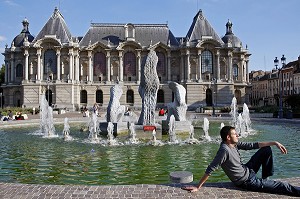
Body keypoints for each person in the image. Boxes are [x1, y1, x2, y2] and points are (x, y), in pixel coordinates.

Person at [182, 125, 300, 197]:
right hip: (247, 181)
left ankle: (265, 180)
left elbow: (253, 145)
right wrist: (198, 187)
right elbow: (211, 168)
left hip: (248, 170)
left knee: (266, 150)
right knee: (282, 185)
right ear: (228, 137)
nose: (237, 135)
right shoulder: (224, 150)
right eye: (235, 134)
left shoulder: (234, 144)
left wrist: (275, 143)